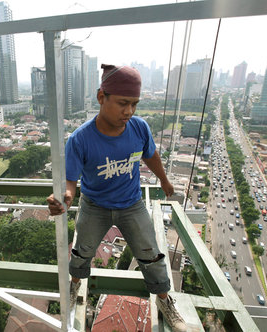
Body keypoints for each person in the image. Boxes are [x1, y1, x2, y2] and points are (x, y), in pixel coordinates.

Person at [46, 64, 186, 331]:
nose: (129, 111)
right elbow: (70, 181)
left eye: (134, 104)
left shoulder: (139, 128)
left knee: (151, 255)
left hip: (131, 204)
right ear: (102, 97)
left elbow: (150, 154)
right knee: (81, 252)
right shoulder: (80, 139)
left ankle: (165, 301)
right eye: (123, 103)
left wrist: (164, 180)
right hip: (94, 205)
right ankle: (74, 286)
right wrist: (65, 198)